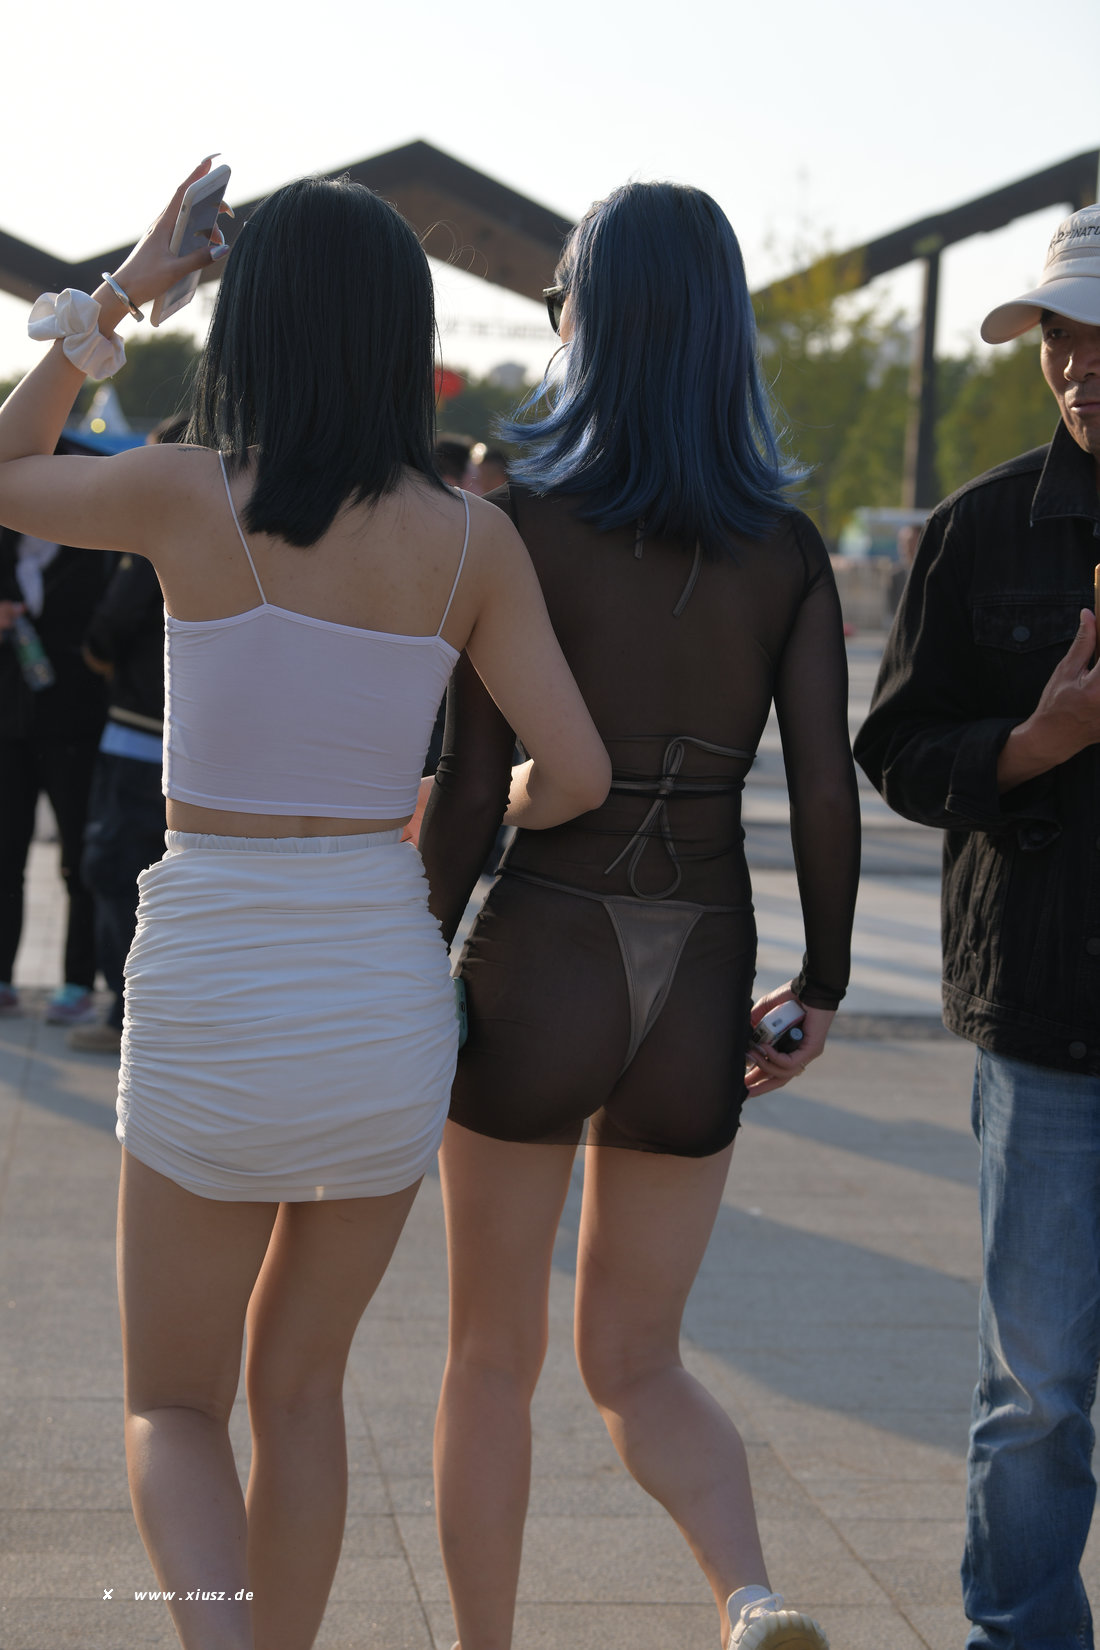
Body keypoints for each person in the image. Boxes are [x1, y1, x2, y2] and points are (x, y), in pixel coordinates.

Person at [0, 161, 609, 1650]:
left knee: (172, 1406)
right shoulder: (471, 539)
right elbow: (579, 771)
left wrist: (123, 293)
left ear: (252, 322)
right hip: (378, 989)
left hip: (213, 976)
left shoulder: (186, 490)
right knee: (304, 1391)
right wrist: (467, 806)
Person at [418, 181, 860, 1650]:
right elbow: (823, 792)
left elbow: (471, 788)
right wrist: (821, 986)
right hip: (703, 961)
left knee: (490, 1359)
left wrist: (411, 955)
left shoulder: (516, 528)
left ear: (586, 326)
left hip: (543, 945)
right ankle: (752, 1596)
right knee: (639, 1359)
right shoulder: (787, 551)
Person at [854, 204, 1100, 1650]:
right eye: (1058, 336)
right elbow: (893, 748)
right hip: (1046, 1026)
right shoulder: (978, 530)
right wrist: (1034, 742)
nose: (1077, 363)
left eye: (1099, 334)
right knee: (1038, 1388)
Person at [74, 416, 187, 1055]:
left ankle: (127, 1019)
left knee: (119, 873)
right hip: (200, 748)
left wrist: (103, 662)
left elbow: (106, 632)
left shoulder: (155, 537)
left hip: (139, 736)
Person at [0, 438, 112, 1023]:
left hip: (77, 723)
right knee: (4, 855)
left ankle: (76, 982)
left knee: (79, 861)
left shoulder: (101, 551)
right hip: (7, 722)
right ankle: (2, 978)